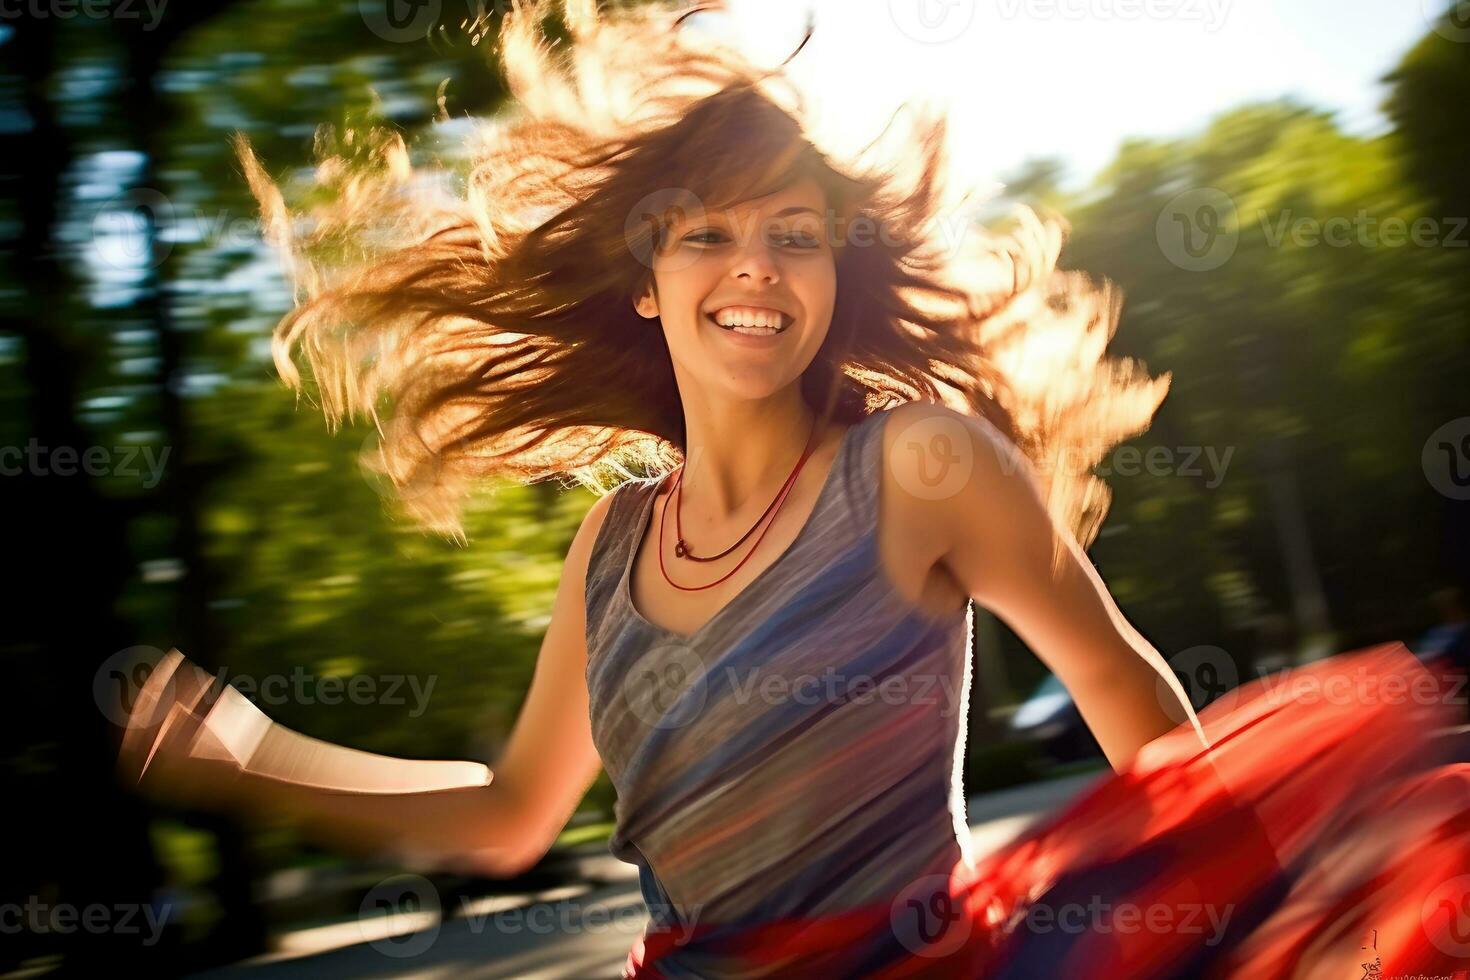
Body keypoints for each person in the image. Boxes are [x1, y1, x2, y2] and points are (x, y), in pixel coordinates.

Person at [114, 2, 1470, 977]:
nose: (754, 266)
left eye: (794, 235)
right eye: (708, 235)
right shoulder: (608, 548)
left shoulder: (918, 467)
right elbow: (511, 810)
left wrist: (1258, 926)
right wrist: (263, 766)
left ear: (833, 275)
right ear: (645, 284)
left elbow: (1131, 705)